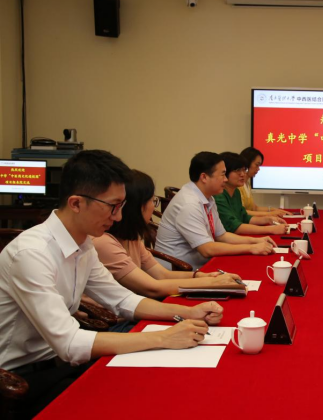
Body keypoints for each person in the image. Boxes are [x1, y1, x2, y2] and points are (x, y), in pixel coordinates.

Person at [0, 150, 223, 418]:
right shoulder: (31, 253)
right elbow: (70, 343)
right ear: (76, 203)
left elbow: (122, 299)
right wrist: (165, 338)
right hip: (16, 381)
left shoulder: (83, 243)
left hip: (55, 364)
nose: (117, 217)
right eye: (112, 206)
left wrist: (189, 312)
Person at [93, 169, 243, 299]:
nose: (153, 207)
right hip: (117, 319)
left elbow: (162, 275)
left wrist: (201, 276)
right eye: (152, 201)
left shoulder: (132, 238)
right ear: (136, 207)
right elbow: (152, 288)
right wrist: (210, 283)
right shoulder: (105, 242)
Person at [155, 152, 276, 270]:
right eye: (223, 174)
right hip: (180, 270)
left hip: (200, 264)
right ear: (204, 177)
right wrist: (251, 248)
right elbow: (207, 249)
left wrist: (255, 241)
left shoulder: (208, 197)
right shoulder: (189, 204)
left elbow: (222, 236)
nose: (225, 179)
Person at [215, 152, 287, 235]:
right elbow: (234, 226)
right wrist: (270, 229)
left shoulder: (236, 192)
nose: (243, 174)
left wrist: (268, 219)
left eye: (244, 170)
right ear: (225, 172)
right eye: (238, 170)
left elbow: (245, 217)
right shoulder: (219, 196)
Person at [239, 147, 289, 217]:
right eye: (257, 165)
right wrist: (270, 214)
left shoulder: (247, 184)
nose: (258, 169)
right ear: (247, 163)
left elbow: (255, 208)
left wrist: (275, 210)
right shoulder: (238, 185)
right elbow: (242, 212)